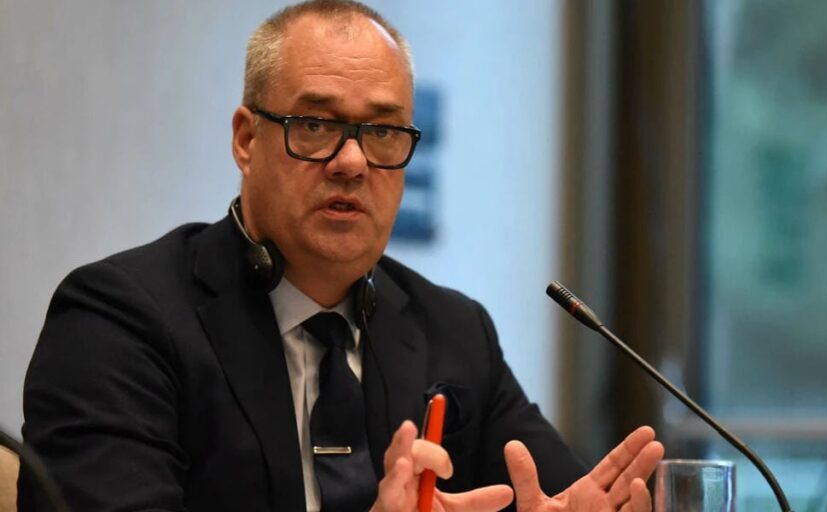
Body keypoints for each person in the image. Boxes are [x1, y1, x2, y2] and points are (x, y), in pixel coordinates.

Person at [19, 1, 664, 511]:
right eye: (315, 125)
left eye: (382, 131)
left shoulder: (454, 333)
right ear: (246, 139)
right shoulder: (118, 322)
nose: (352, 162)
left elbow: (557, 496)